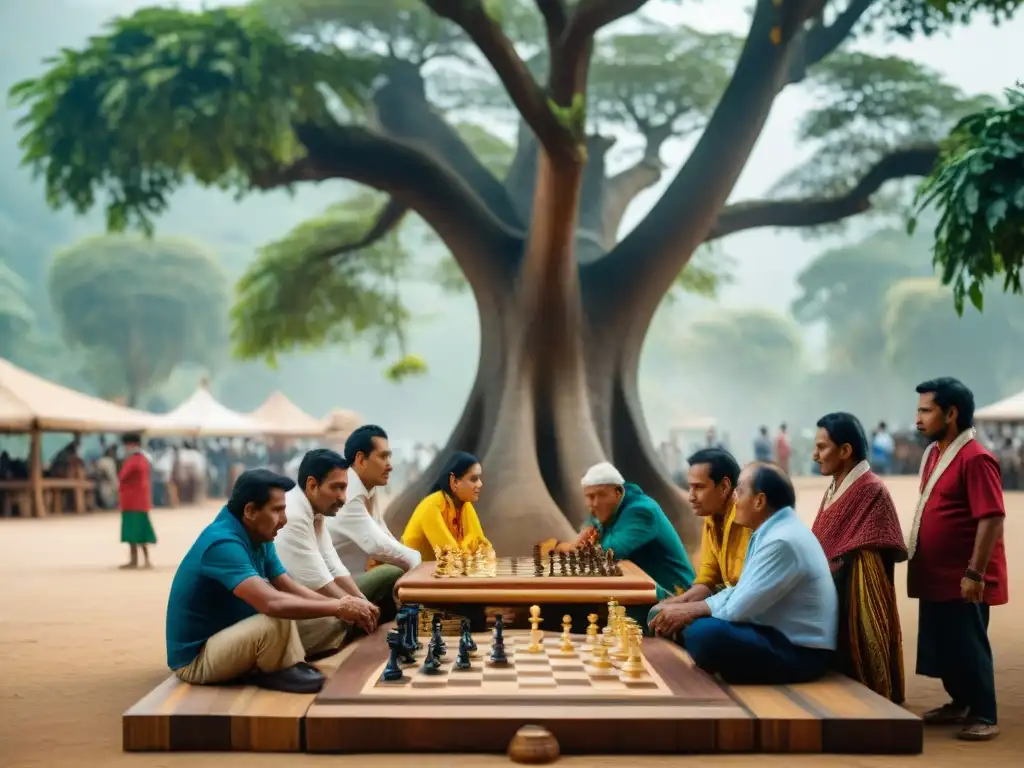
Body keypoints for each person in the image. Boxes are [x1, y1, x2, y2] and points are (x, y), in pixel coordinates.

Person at [165, 469, 377, 693]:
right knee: (275, 618)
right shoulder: (222, 544)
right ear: (250, 511)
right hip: (197, 659)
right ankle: (275, 668)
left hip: (234, 632)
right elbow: (271, 603)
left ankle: (283, 664)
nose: (284, 520)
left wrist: (340, 608)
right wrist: (339, 606)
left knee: (321, 619)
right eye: (277, 511)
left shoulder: (259, 535)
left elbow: (289, 587)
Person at [650, 463, 837, 685]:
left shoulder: (782, 541)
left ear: (759, 501)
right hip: (771, 633)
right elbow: (738, 591)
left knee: (705, 634)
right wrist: (685, 609)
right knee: (670, 617)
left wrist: (689, 611)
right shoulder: (770, 532)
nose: (734, 499)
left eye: (739, 491)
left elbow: (737, 609)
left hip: (799, 652)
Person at [908, 378, 1007, 741]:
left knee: (968, 644)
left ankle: (985, 712)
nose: (917, 418)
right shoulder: (935, 453)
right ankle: (960, 703)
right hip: (936, 576)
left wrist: (975, 573)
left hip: (963, 577)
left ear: (951, 414)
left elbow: (992, 518)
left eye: (925, 410)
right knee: (944, 644)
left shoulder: (976, 458)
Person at [811, 412, 907, 702]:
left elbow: (869, 557)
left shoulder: (871, 490)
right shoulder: (836, 486)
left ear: (845, 451)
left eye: (822, 447)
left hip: (856, 591)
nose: (815, 455)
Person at [275, 449, 401, 659]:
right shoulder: (295, 515)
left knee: (388, 575)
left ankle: (363, 628)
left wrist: (361, 601)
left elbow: (333, 565)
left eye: (345, 489)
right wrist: (354, 606)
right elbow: (320, 583)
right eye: (337, 488)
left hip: (316, 593)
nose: (343, 498)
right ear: (312, 485)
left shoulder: (315, 510)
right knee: (339, 617)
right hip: (295, 611)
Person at [554, 462, 695, 609]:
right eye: (589, 497)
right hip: (642, 593)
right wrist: (583, 536)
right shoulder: (610, 506)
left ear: (618, 492)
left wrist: (580, 545)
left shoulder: (641, 511)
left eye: (601, 495)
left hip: (675, 597)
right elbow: (589, 528)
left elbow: (609, 551)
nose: (594, 503)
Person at [649, 448, 748, 624]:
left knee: (696, 631)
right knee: (658, 612)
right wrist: (676, 603)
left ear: (724, 487)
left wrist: (688, 609)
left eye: (699, 487)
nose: (691, 497)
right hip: (726, 602)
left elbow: (746, 590)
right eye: (690, 487)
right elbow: (707, 579)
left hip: (748, 609)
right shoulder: (712, 519)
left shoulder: (746, 520)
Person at [326, 425, 421, 577]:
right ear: (361, 460)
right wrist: (415, 559)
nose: (389, 466)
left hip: (355, 577)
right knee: (392, 575)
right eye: (383, 457)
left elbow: (383, 534)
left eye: (389, 457)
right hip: (335, 588)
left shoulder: (368, 489)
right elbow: (377, 545)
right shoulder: (348, 494)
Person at [401, 451, 491, 560]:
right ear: (454, 481)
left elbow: (485, 549)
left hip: (440, 573)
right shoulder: (431, 506)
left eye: (479, 478)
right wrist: (470, 549)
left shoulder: (465, 506)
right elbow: (450, 556)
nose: (480, 484)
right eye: (473, 479)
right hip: (411, 573)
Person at [119, 433, 156, 569]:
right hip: (135, 501)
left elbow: (123, 476)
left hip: (134, 501)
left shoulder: (136, 459)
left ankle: (143, 560)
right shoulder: (141, 458)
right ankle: (137, 560)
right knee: (137, 533)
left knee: (138, 532)